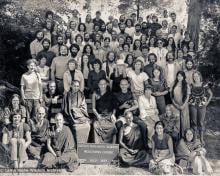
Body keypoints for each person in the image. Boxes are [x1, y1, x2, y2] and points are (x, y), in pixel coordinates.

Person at [62, 80, 90, 145]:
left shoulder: (81, 94)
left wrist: (74, 109)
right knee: (77, 128)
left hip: (80, 115)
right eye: (74, 86)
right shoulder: (66, 95)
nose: (76, 88)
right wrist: (71, 111)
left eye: (77, 86)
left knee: (87, 126)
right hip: (69, 116)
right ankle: (77, 145)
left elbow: (84, 107)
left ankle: (83, 146)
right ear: (71, 86)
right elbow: (64, 107)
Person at [189, 71, 213, 145]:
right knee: (194, 122)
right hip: (193, 105)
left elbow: (211, 94)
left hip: (202, 106)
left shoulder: (204, 84)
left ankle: (202, 138)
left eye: (197, 76)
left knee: (201, 122)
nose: (196, 77)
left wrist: (207, 103)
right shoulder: (191, 85)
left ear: (200, 76)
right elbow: (188, 94)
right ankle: (195, 138)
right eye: (194, 76)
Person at [92, 78, 117, 143]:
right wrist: (98, 115)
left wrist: (113, 115)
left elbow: (114, 107)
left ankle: (111, 147)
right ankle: (98, 146)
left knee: (113, 126)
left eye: (104, 84)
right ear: (98, 85)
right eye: (101, 84)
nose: (102, 86)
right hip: (99, 115)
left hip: (108, 116)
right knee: (95, 125)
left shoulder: (111, 94)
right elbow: (93, 108)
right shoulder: (95, 94)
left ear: (106, 85)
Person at [170, 71, 190, 138]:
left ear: (183, 77)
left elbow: (187, 96)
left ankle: (185, 137)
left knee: (184, 121)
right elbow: (171, 96)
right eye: (178, 76)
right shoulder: (174, 84)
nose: (179, 77)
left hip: (184, 105)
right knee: (177, 121)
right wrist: (175, 105)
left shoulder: (186, 85)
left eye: (181, 76)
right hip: (176, 106)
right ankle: (177, 138)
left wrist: (183, 105)